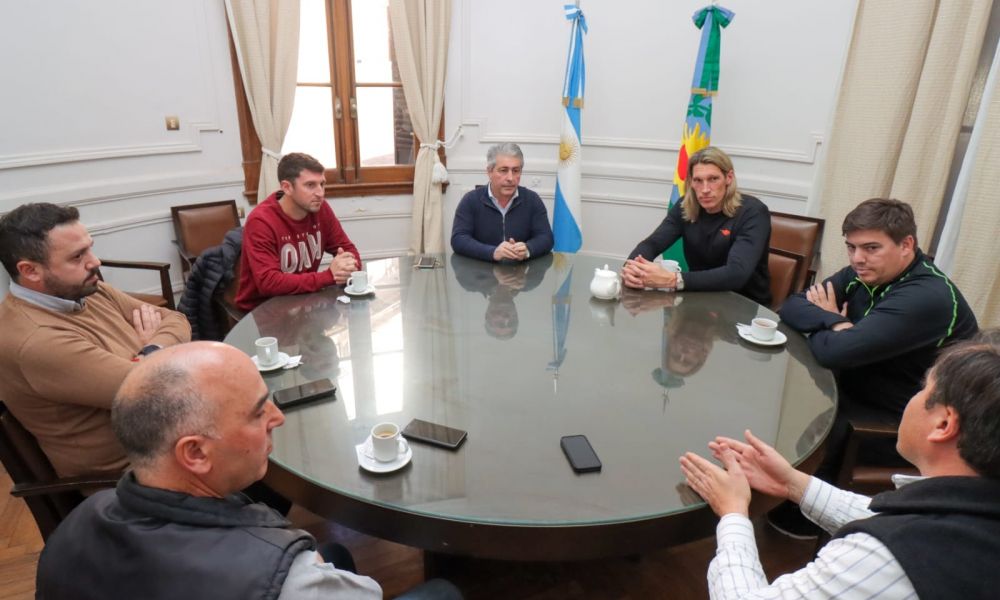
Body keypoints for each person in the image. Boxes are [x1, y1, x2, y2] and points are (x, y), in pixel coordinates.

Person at [36, 341, 462, 600]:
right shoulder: (288, 581)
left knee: (337, 556)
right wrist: (302, 567)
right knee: (444, 591)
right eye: (259, 412)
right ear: (196, 454)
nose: (277, 417)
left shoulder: (73, 527)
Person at [679, 335, 1000, 599]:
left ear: (943, 423)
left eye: (923, 389)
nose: (912, 400)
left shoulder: (884, 557)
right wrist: (794, 484)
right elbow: (888, 516)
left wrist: (734, 511)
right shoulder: (976, 510)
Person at [779, 199, 977, 485]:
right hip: (860, 385)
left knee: (809, 425)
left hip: (906, 418)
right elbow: (793, 306)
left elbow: (835, 353)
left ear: (906, 245)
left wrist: (833, 329)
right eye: (851, 247)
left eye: (871, 248)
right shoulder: (864, 273)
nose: (857, 258)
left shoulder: (926, 297)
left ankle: (797, 521)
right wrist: (836, 321)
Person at [0, 203, 191, 478]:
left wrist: (147, 351)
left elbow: (177, 320)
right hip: (133, 477)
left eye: (90, 247)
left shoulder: (87, 289)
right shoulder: (36, 340)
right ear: (30, 271)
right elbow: (151, 390)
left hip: (169, 437)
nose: (95, 262)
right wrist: (149, 357)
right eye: (77, 256)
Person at [624, 146, 772, 306]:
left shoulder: (753, 212)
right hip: (699, 296)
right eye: (698, 181)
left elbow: (736, 273)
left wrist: (673, 280)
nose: (705, 189)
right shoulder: (685, 206)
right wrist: (633, 268)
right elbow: (652, 244)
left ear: (729, 178)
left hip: (744, 305)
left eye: (713, 179)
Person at [236, 152, 361, 311]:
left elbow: (349, 250)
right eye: (310, 185)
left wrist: (348, 267)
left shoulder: (320, 209)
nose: (320, 193)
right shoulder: (261, 221)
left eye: (322, 184)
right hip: (261, 312)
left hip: (303, 303)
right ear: (287, 187)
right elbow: (269, 283)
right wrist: (329, 276)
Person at [450, 142, 554, 262]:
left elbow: (546, 238)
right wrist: (492, 252)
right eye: (503, 170)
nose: (510, 178)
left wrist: (527, 249)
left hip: (522, 275)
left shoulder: (532, 200)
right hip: (481, 274)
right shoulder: (470, 200)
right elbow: (458, 239)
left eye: (515, 171)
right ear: (489, 172)